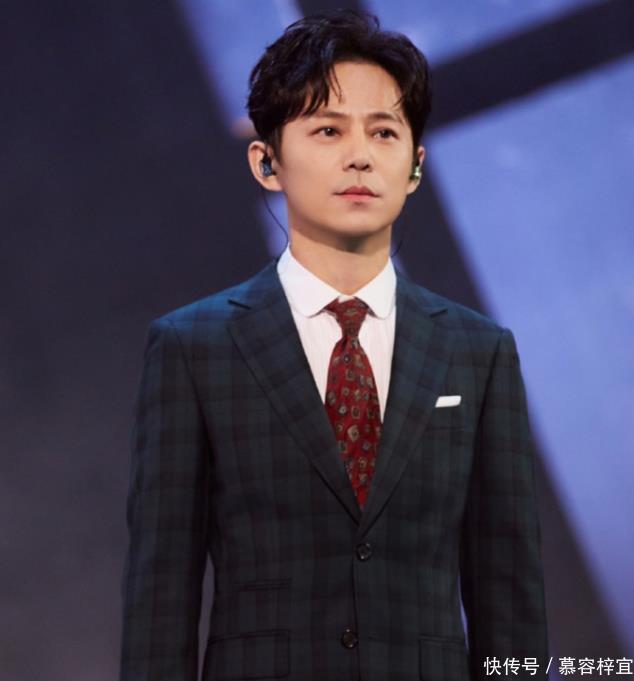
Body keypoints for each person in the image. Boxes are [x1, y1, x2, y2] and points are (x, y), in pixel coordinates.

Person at [119, 9, 549, 681]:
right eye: (327, 129)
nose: (360, 155)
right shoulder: (193, 348)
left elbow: (511, 602)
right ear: (267, 161)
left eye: (384, 132)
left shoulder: (478, 351)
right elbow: (160, 602)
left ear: (415, 166)